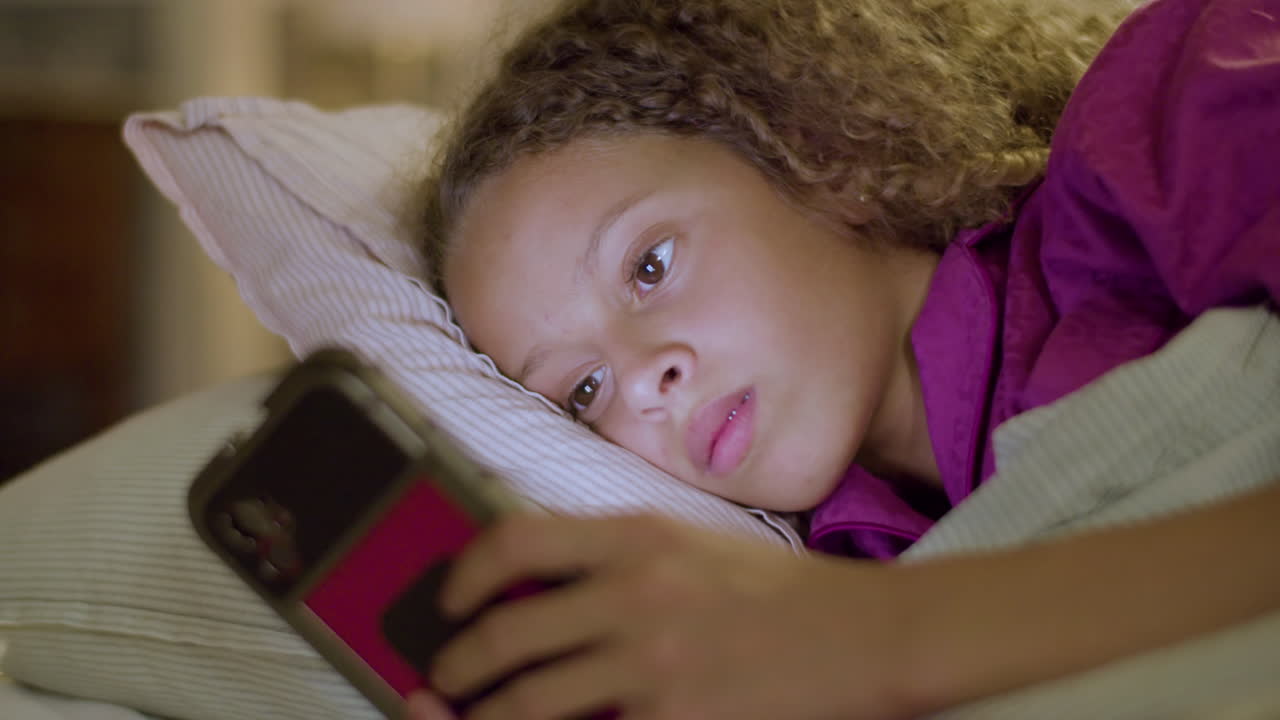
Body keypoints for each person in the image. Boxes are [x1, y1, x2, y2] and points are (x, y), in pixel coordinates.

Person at [405, 0, 1280, 717]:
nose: (642, 381)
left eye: (650, 265)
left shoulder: (1168, 125)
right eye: (582, 389)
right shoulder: (785, 600)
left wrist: (883, 635)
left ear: (823, 156)